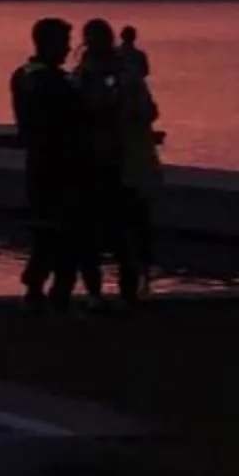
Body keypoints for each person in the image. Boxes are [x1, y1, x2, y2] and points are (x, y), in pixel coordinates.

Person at [10, 17, 85, 310]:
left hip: (39, 162)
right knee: (66, 232)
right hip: (60, 164)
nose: (68, 50)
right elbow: (77, 112)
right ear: (51, 44)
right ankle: (56, 293)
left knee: (46, 231)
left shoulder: (23, 75)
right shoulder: (54, 81)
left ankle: (36, 287)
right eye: (64, 44)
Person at [66, 19, 126, 300]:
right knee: (89, 234)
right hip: (87, 158)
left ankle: (123, 293)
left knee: (116, 232)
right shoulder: (83, 70)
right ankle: (95, 293)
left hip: (111, 157)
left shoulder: (117, 71)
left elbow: (110, 104)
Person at [105, 27, 164, 305]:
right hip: (128, 162)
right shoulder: (131, 72)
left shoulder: (121, 69)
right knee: (136, 218)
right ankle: (139, 273)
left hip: (128, 161)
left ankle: (135, 274)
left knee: (133, 219)